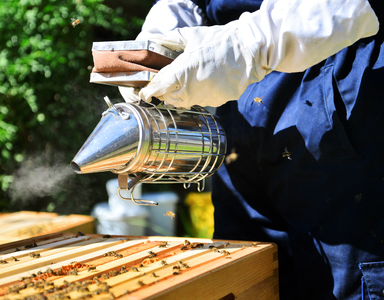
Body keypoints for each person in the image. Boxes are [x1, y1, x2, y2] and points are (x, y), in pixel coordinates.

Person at [120, 0, 384, 299]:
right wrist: (167, 24)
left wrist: (251, 42)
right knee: (243, 278)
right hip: (238, 101)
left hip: (337, 70)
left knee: (344, 284)